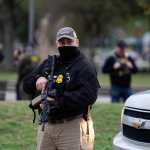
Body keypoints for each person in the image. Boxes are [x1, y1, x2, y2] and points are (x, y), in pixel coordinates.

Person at [23, 27, 100, 150]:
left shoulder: (85, 66)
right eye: (62, 42)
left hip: (73, 126)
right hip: (46, 126)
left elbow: (89, 96)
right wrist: (37, 79)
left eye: (69, 42)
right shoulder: (49, 63)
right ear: (57, 44)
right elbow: (26, 85)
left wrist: (55, 100)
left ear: (77, 42)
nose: (65, 45)